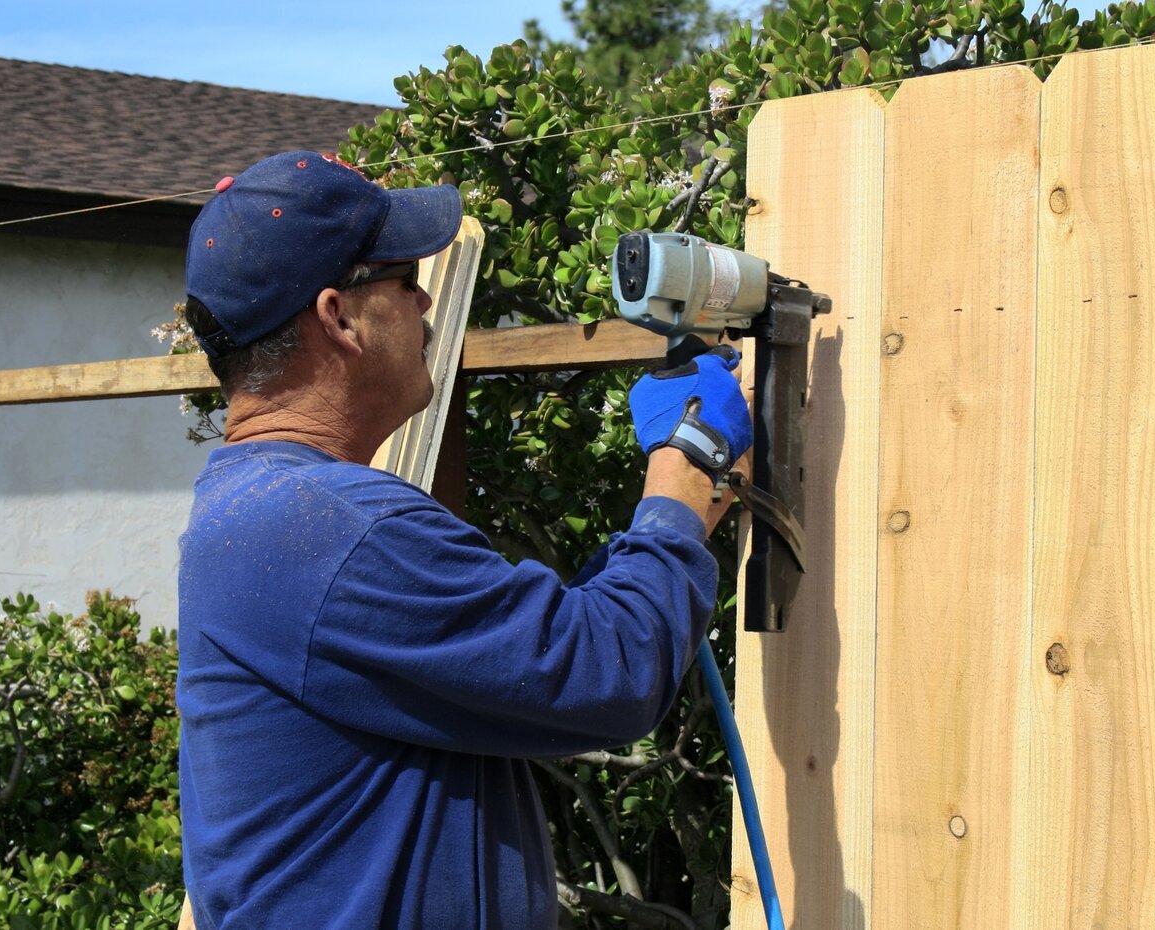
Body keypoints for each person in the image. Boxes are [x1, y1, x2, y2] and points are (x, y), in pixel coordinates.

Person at [176, 150, 753, 930]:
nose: (423, 299)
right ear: (336, 316)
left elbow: (527, 653)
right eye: (400, 277)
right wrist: (686, 479)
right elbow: (608, 671)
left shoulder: (259, 507)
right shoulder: (331, 529)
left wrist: (646, 534)